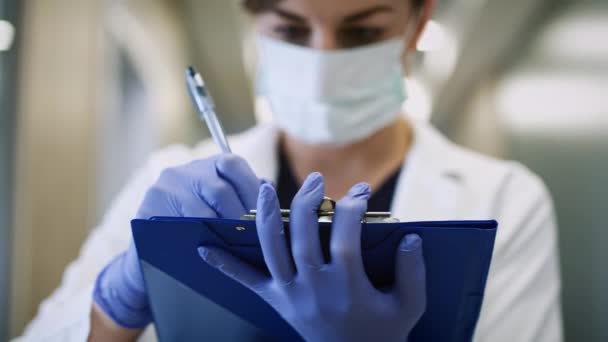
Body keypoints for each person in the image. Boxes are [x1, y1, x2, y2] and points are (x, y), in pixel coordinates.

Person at [16, 0, 563, 341]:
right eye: (292, 31)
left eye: (362, 33)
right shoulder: (174, 180)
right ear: (256, 26)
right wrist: (115, 304)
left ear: (419, 22)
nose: (324, 61)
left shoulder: (506, 200)